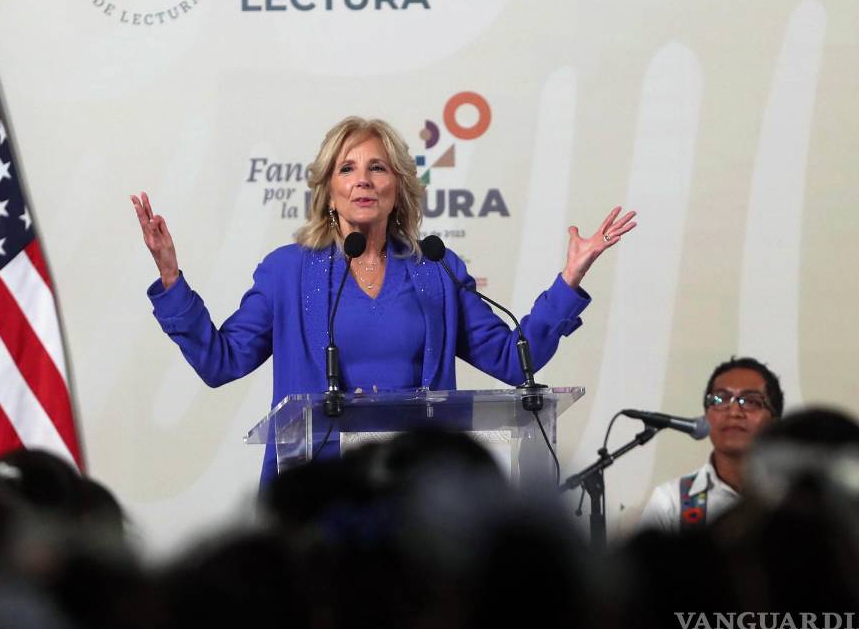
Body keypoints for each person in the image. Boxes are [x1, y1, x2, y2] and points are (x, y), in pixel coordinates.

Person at [134, 116, 636, 485]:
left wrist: (569, 280)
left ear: (398, 186)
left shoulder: (436, 270)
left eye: (378, 168)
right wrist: (172, 278)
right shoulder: (287, 271)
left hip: (413, 486)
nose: (363, 180)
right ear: (329, 190)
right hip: (316, 488)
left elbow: (512, 359)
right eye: (347, 169)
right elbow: (221, 362)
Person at [640, 356, 783, 533]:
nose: (734, 412)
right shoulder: (671, 501)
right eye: (720, 400)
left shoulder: (794, 499)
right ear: (706, 416)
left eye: (751, 402)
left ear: (775, 422)